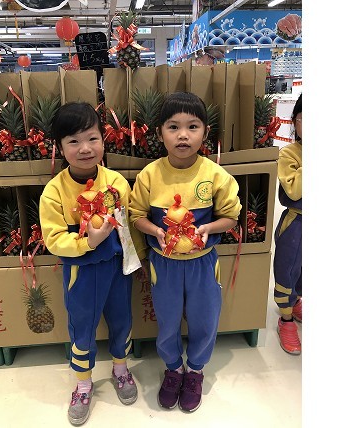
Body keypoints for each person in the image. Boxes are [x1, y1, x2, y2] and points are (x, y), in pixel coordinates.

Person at [129, 92, 241, 413]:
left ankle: (195, 371)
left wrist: (209, 228)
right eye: (173, 127)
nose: (183, 135)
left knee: (205, 318)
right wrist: (155, 230)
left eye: (192, 127)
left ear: (205, 133)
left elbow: (231, 216)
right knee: (167, 320)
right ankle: (173, 369)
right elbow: (136, 215)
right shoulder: (150, 175)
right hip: (163, 263)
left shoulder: (215, 175)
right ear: (159, 133)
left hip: (202, 264)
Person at [39, 102, 146, 426]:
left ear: (103, 140)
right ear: (60, 147)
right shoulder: (54, 192)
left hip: (116, 268)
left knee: (122, 318)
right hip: (80, 272)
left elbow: (129, 227)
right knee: (82, 326)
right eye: (73, 141)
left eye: (92, 138)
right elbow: (53, 239)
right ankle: (83, 384)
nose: (85, 148)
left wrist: (137, 259)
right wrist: (88, 242)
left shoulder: (116, 183)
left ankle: (120, 369)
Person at [273, 93, 303, 355]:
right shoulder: (289, 154)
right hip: (297, 223)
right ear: (295, 121)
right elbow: (294, 191)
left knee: (304, 271)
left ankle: (296, 301)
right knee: (287, 270)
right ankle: (286, 318)